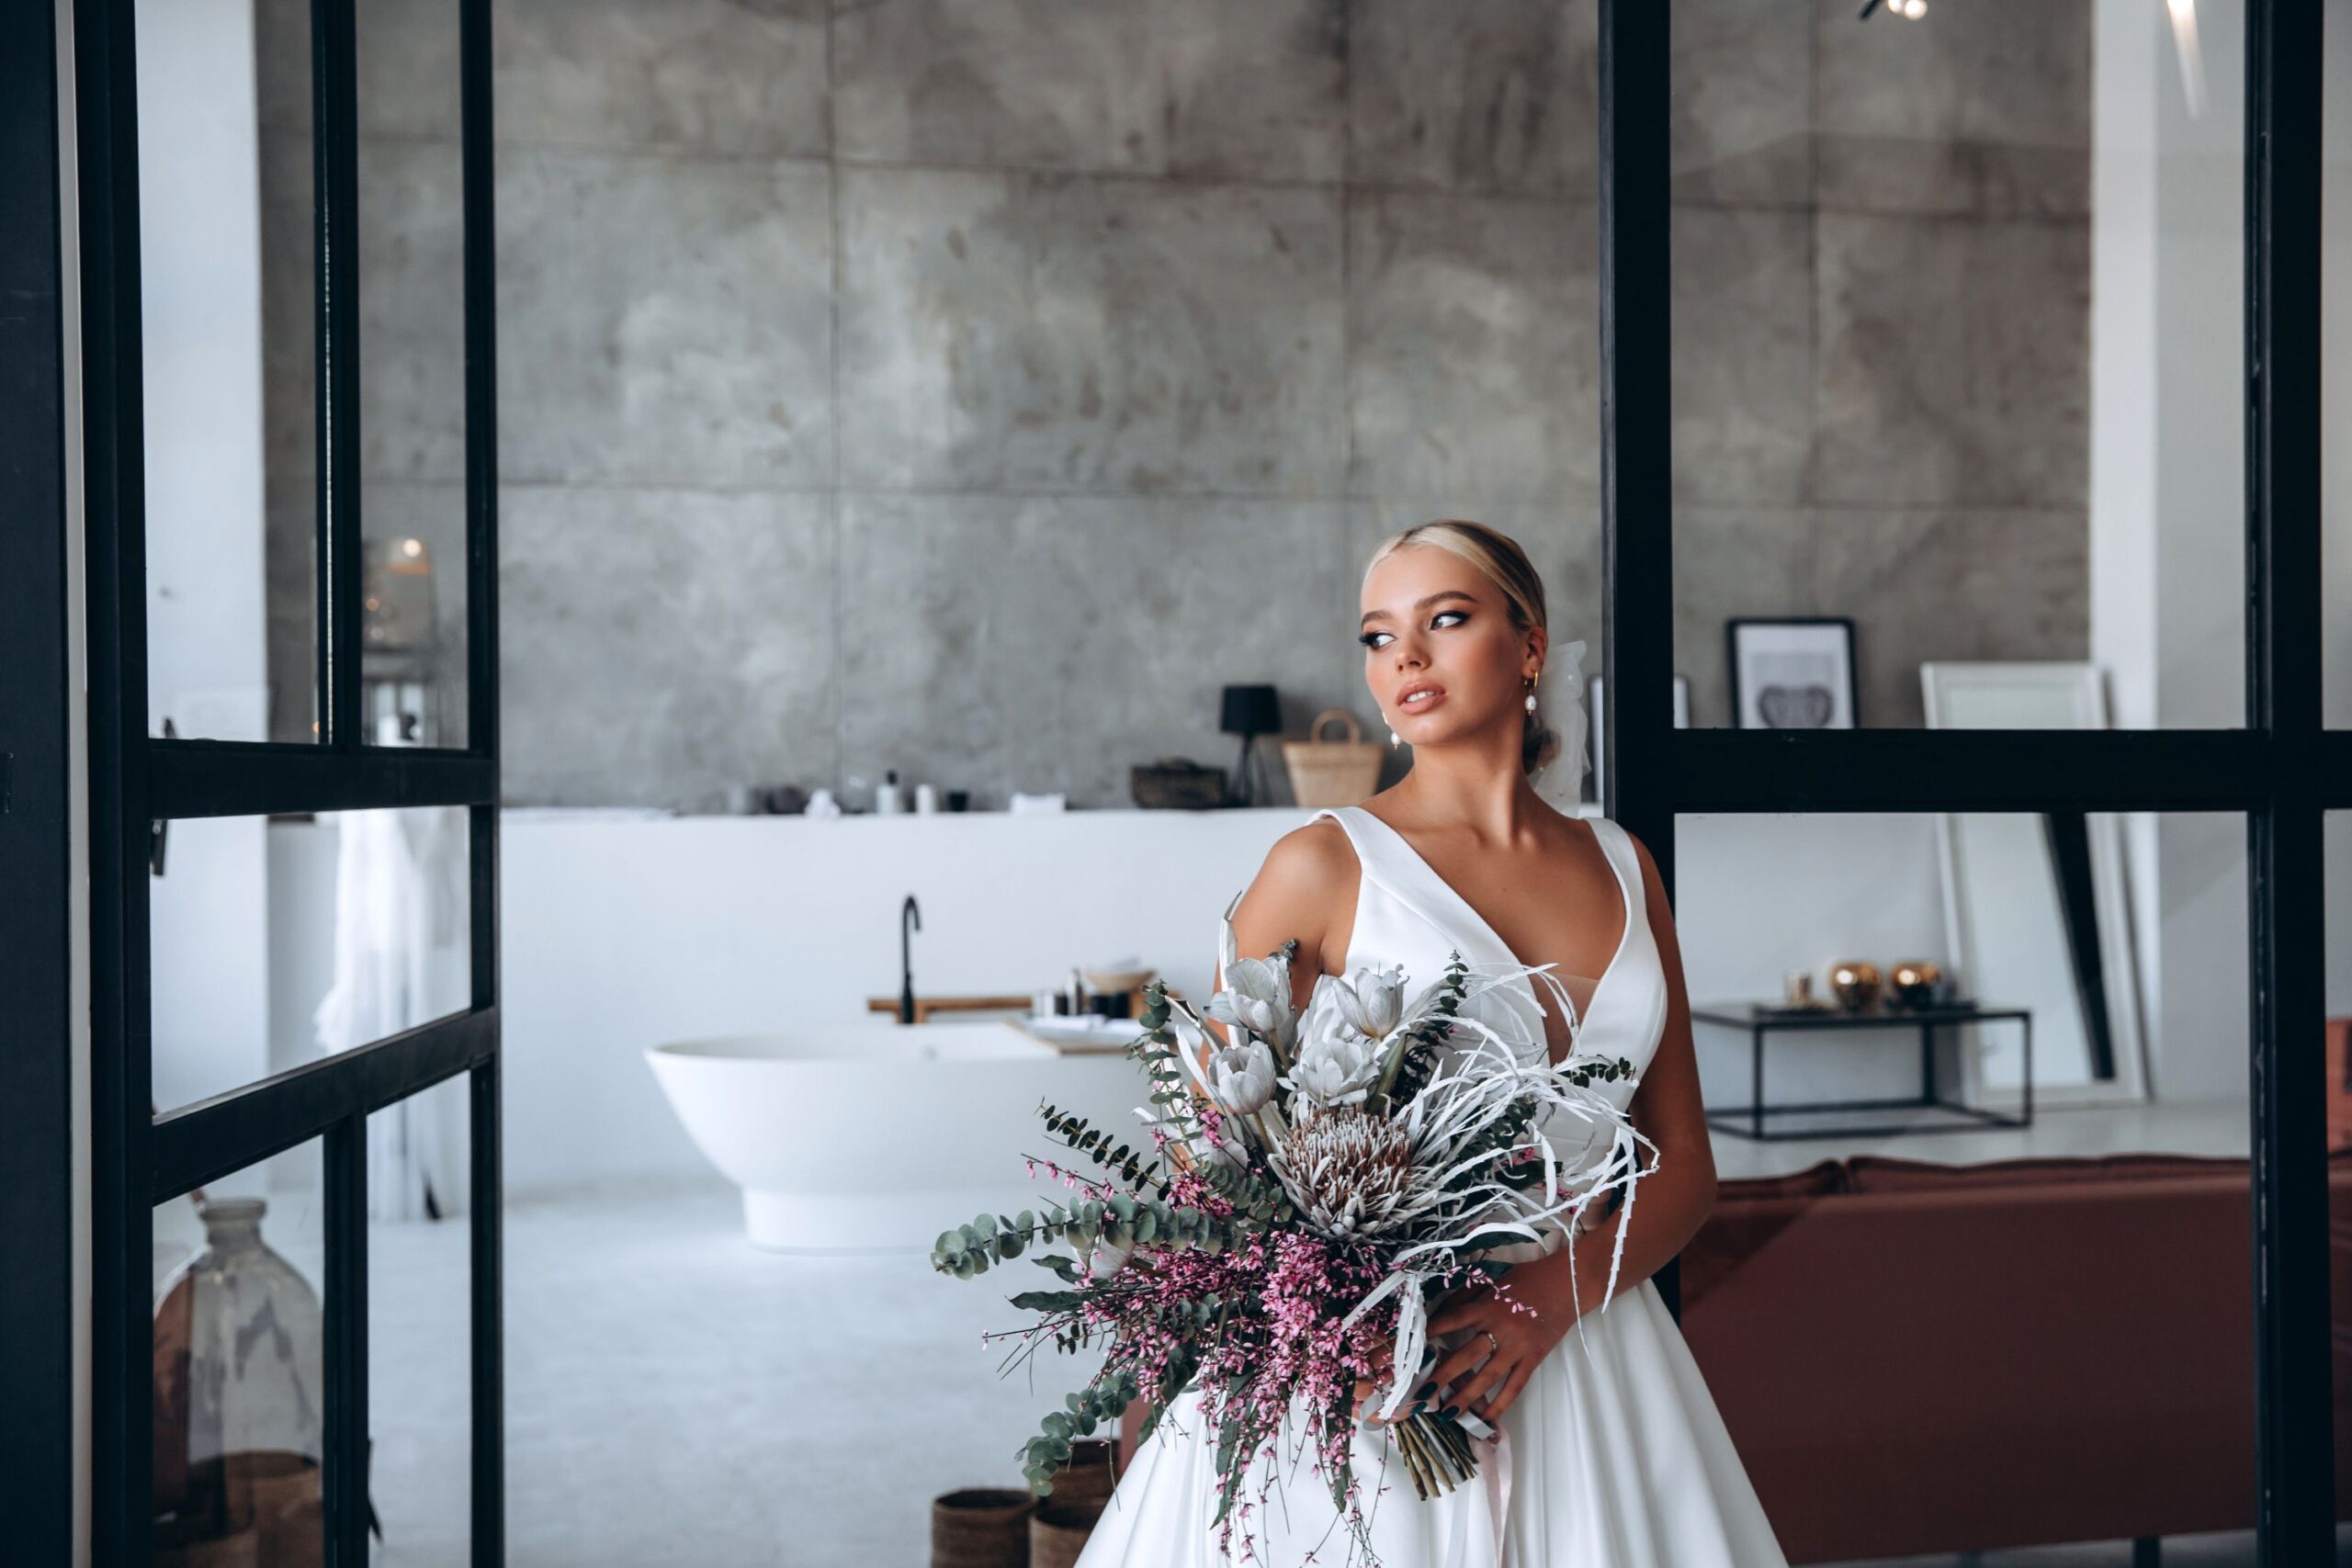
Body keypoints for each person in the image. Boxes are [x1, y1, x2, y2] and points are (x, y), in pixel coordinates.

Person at [1075, 520, 1789, 1566]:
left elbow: (1683, 1167)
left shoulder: (1625, 864)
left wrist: (1549, 1303)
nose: (1402, 659)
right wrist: (1313, 1327)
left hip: (1585, 1347)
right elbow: (1212, 1163)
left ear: (1529, 646)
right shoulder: (1319, 864)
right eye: (1377, 636)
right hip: (1367, 1372)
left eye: (1444, 620)